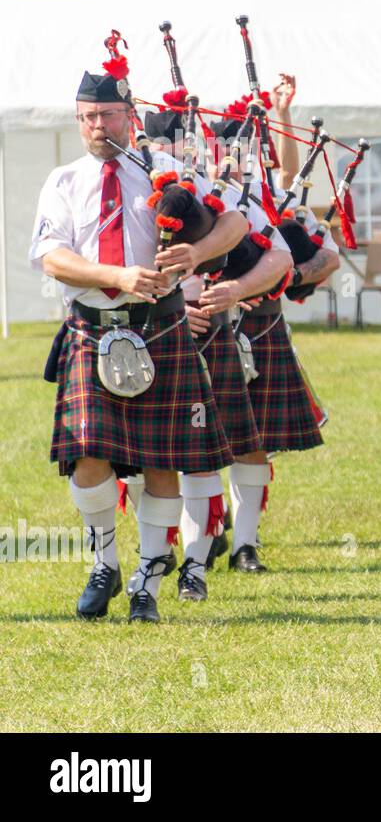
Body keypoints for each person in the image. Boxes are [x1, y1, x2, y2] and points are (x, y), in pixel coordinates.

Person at [30, 62, 246, 622]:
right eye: (86, 117)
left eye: (105, 115)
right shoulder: (65, 181)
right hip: (93, 325)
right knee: (87, 455)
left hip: (160, 326)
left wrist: (197, 254)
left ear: (130, 116)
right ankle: (104, 562)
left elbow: (237, 225)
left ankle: (149, 575)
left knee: (160, 458)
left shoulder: (167, 171)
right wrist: (118, 275)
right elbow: (51, 256)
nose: (96, 126)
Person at [140, 108, 294, 601]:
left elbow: (280, 255)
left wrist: (233, 289)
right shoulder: (128, 190)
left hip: (210, 336)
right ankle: (156, 556)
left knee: (202, 455)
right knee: (158, 458)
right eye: (166, 144)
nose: (175, 153)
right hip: (145, 334)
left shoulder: (223, 194)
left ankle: (197, 564)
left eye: (185, 144)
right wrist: (176, 304)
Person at [208, 96, 341, 574]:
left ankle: (245, 543)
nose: (236, 160)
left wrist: (281, 276)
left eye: (247, 152)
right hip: (205, 327)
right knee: (197, 437)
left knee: (254, 439)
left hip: (261, 326)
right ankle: (203, 534)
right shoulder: (199, 196)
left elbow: (328, 259)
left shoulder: (278, 200)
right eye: (227, 151)